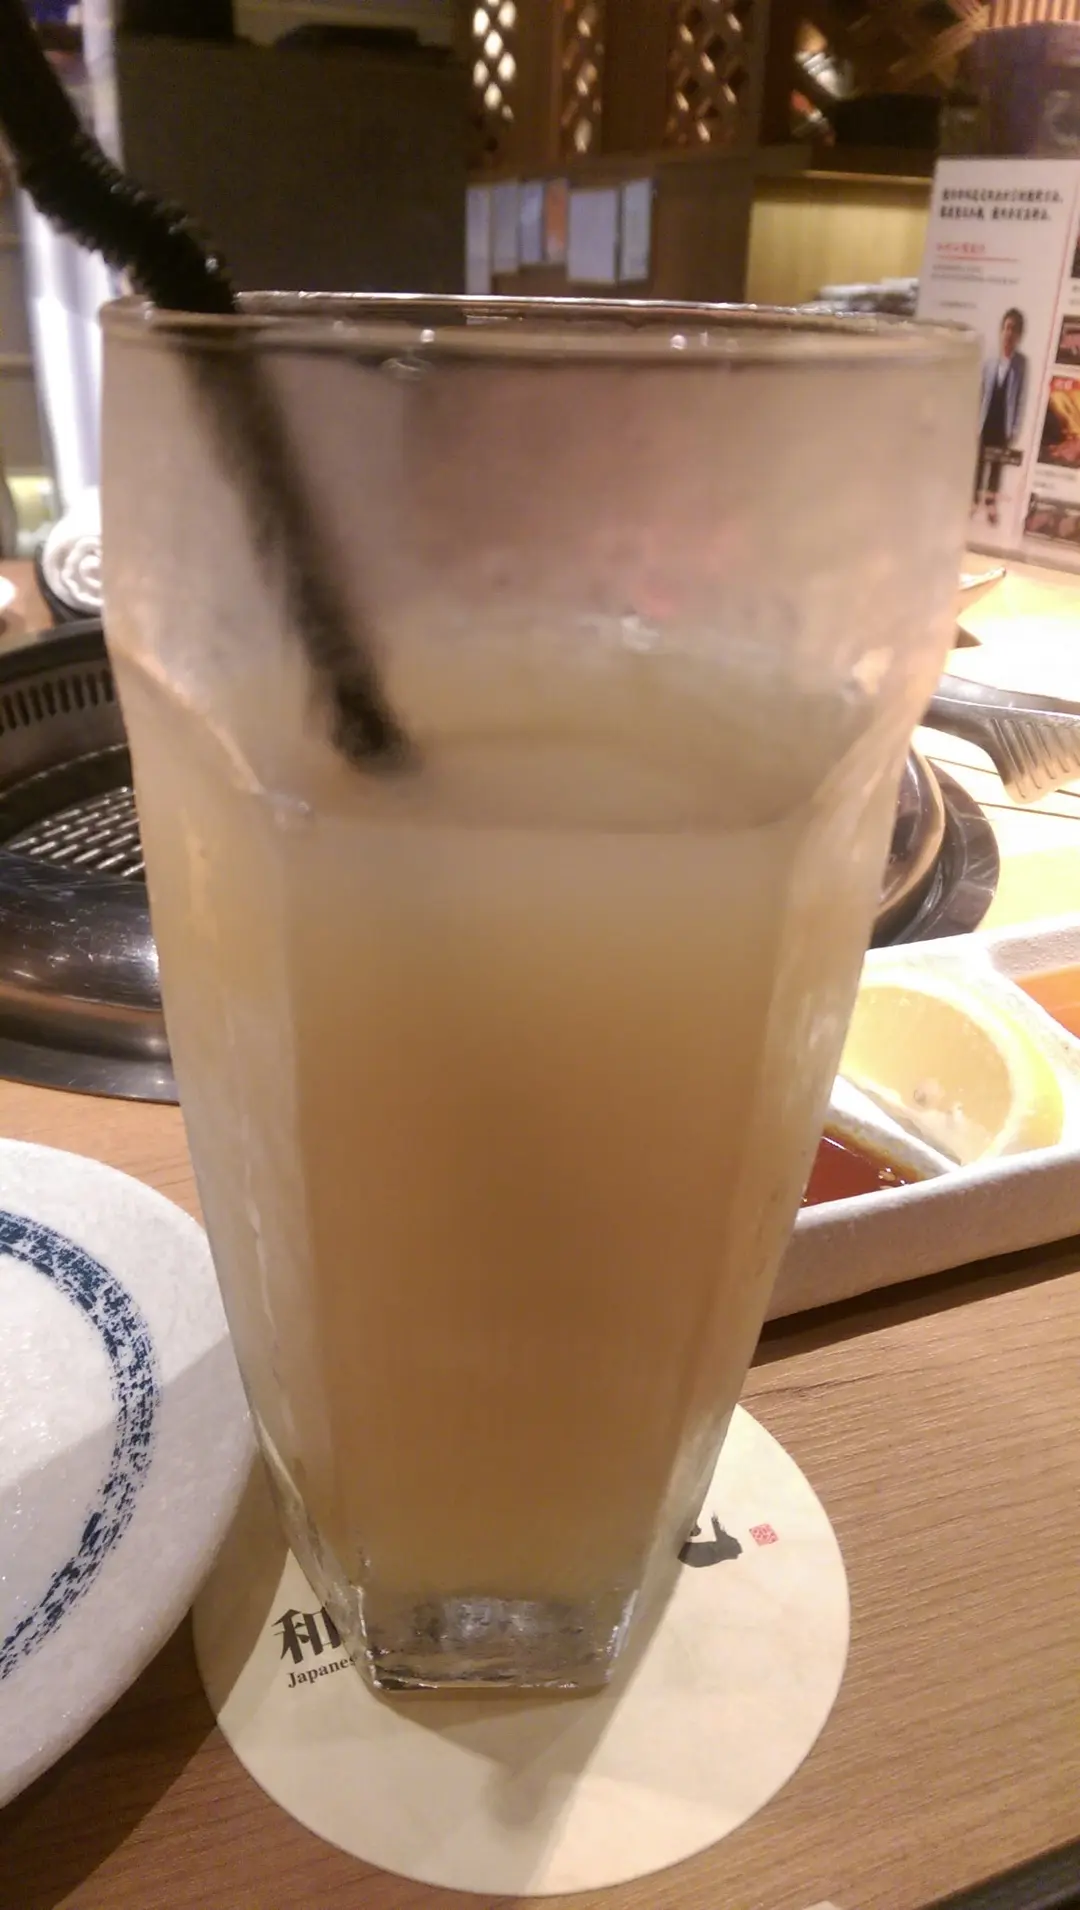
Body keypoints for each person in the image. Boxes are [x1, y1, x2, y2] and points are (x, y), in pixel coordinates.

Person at [974, 308, 1028, 528]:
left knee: (996, 464)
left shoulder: (1021, 364)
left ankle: (990, 504)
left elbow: (1020, 398)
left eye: (1014, 329)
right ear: (1001, 331)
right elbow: (981, 394)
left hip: (1003, 423)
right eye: (1006, 328)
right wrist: (974, 422)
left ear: (1019, 335)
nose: (1009, 333)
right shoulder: (990, 361)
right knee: (979, 461)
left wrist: (1015, 428)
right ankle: (973, 500)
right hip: (986, 419)